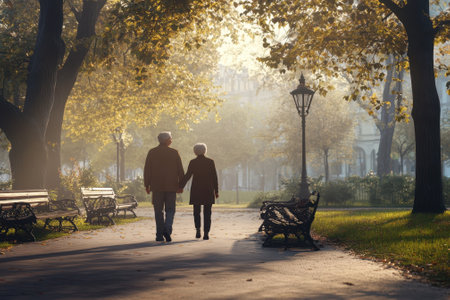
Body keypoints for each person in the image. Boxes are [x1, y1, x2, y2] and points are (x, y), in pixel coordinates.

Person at [144, 132, 184, 242]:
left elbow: (147, 170)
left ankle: (159, 234)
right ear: (166, 140)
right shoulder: (174, 153)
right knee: (170, 209)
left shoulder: (152, 152)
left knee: (158, 210)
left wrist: (147, 184)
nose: (172, 140)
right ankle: (167, 228)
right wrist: (181, 185)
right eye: (170, 138)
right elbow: (180, 170)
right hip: (171, 186)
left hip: (156, 187)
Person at [180, 143, 219, 240]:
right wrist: (216, 191)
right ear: (205, 151)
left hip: (196, 189)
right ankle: (206, 233)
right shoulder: (210, 162)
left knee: (196, 211)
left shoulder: (193, 162)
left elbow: (188, 175)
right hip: (208, 189)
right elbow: (214, 177)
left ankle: (198, 230)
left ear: (195, 151)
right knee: (207, 212)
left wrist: (180, 186)